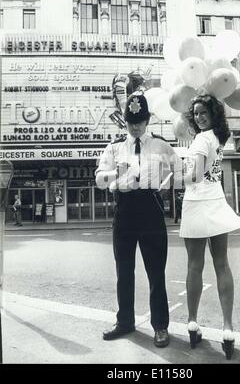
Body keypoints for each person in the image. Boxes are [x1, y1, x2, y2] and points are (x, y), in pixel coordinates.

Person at [95, 92, 181, 348]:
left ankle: (160, 326)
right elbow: (99, 180)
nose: (136, 126)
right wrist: (114, 173)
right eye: (132, 121)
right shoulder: (114, 147)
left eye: (140, 120)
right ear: (125, 120)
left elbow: (180, 171)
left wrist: (166, 185)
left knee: (156, 272)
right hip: (124, 210)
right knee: (124, 270)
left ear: (147, 120)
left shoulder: (161, 145)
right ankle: (125, 322)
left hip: (151, 207)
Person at [179, 94, 240, 360]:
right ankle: (228, 329)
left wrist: (173, 175)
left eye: (203, 112)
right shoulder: (219, 137)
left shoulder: (201, 139)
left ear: (213, 113)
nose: (198, 117)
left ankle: (193, 322)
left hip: (196, 202)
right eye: (195, 114)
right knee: (222, 264)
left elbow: (193, 176)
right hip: (216, 200)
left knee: (195, 265)